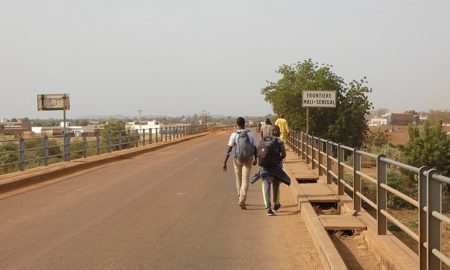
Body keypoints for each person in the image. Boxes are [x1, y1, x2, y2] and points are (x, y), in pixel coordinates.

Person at [252, 125, 290, 216]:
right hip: (276, 167)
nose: (280, 132)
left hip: (264, 167)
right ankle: (276, 203)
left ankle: (268, 208)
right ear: (275, 132)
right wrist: (278, 159)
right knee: (276, 184)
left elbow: (258, 153)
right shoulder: (279, 141)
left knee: (266, 184)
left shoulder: (263, 140)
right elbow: (284, 154)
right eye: (279, 131)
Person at [223, 117, 257, 210]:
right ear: (244, 124)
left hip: (237, 159)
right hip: (248, 160)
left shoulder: (234, 134)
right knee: (245, 180)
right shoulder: (251, 134)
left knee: (238, 180)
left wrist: (225, 162)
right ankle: (242, 199)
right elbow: (254, 148)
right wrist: (255, 159)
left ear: (237, 125)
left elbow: (229, 148)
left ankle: (239, 197)